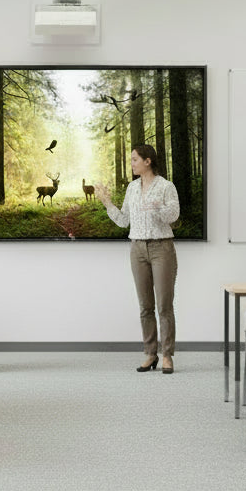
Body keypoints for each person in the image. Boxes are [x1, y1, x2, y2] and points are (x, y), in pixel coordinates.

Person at [95, 144, 181, 373]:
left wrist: (157, 208)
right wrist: (107, 202)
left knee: (164, 306)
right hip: (137, 249)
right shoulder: (132, 188)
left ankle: (167, 356)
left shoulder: (166, 187)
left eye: (134, 160)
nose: (131, 163)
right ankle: (150, 353)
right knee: (145, 307)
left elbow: (174, 215)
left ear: (147, 161)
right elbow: (124, 220)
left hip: (162, 248)